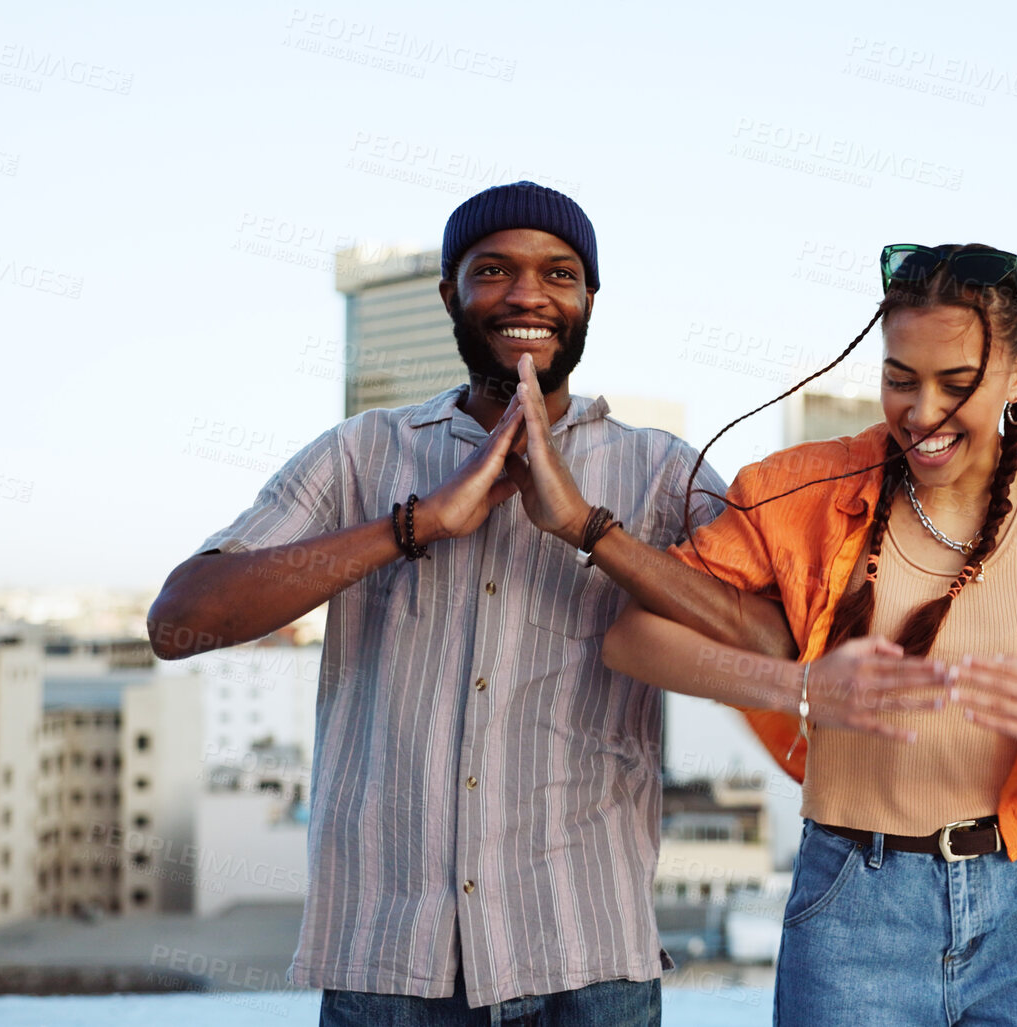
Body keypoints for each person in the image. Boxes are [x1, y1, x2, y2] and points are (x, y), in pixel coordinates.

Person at [147, 181, 835, 1026]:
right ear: (450, 294)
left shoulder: (661, 472)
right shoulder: (361, 453)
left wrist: (588, 527)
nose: (527, 294)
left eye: (558, 273)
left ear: (587, 300)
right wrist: (417, 523)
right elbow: (181, 617)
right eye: (494, 270)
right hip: (387, 963)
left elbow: (777, 647)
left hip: (588, 959)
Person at [602, 243, 1017, 1026]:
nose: (921, 413)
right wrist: (803, 687)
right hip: (852, 906)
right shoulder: (801, 490)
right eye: (900, 379)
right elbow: (630, 639)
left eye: (955, 384)